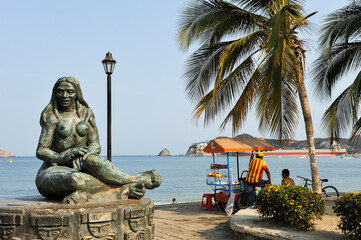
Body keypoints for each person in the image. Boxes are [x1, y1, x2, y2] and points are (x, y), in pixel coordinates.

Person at [35, 77, 161, 204]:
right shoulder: (51, 116)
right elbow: (41, 150)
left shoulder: (86, 113)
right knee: (75, 179)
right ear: (55, 93)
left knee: (93, 160)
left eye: (70, 92)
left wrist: (86, 154)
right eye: (60, 91)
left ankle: (131, 179)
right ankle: (125, 187)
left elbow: (96, 145)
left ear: (77, 93)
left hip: (82, 166)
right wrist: (63, 157)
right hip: (54, 170)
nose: (65, 95)